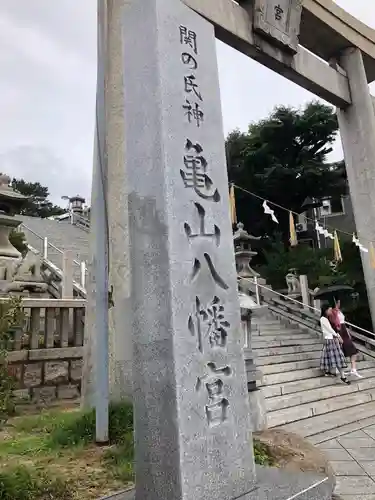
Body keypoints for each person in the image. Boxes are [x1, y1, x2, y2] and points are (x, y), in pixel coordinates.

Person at [320, 304, 350, 384]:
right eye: (329, 310)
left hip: (330, 340)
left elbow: (333, 329)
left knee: (331, 357)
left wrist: (338, 335)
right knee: (337, 358)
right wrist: (338, 336)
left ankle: (329, 371)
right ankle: (342, 376)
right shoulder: (323, 319)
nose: (330, 311)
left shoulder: (328, 319)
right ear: (325, 310)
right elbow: (329, 330)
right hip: (330, 340)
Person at [332, 300, 362, 378]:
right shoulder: (333, 312)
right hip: (339, 331)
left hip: (344, 330)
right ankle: (338, 369)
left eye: (339, 302)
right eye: (338, 302)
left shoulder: (339, 311)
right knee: (340, 350)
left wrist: (348, 332)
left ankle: (353, 369)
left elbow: (343, 322)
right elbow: (334, 324)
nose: (339, 303)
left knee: (353, 350)